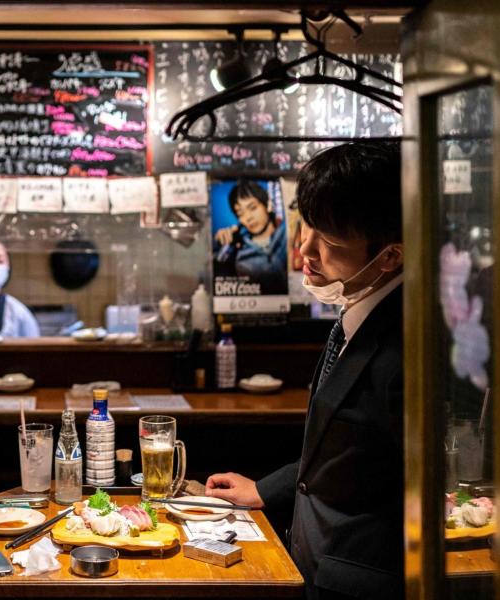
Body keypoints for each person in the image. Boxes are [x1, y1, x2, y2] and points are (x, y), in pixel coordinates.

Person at [205, 142, 405, 600]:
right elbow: (348, 452)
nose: (304, 252)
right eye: (305, 227)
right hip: (315, 566)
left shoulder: (410, 344)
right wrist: (265, 489)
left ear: (390, 256)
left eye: (329, 242)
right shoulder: (360, 309)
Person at [213, 180, 287, 294]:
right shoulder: (237, 251)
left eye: (253, 208)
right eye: (240, 213)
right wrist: (218, 245)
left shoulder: (287, 234)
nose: (248, 217)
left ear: (267, 205)